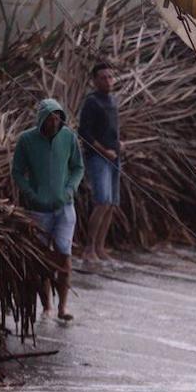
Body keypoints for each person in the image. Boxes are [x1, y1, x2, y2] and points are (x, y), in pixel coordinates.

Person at [12, 98, 84, 322]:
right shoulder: (27, 140)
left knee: (64, 256)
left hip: (65, 207)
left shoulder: (68, 137)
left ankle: (62, 307)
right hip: (39, 210)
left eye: (58, 117)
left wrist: (71, 187)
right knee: (41, 259)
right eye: (51, 118)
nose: (55, 122)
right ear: (42, 119)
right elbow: (17, 172)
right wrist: (30, 194)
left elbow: (78, 167)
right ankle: (47, 306)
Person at [78, 62, 122, 261]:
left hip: (115, 156)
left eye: (110, 77)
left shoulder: (112, 101)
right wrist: (104, 151)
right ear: (95, 81)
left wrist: (119, 144)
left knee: (112, 204)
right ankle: (89, 248)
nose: (108, 81)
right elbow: (84, 133)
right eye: (103, 78)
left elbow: (111, 129)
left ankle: (100, 247)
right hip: (98, 158)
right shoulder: (91, 102)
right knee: (102, 201)